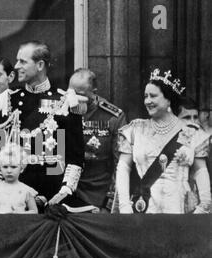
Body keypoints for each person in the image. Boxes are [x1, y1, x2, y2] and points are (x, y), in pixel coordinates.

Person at [0, 40, 86, 211]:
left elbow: (76, 156)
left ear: (40, 65)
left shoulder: (65, 101)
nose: (16, 66)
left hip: (54, 196)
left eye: (22, 61)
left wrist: (65, 190)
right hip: (16, 198)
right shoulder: (8, 101)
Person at [114, 69, 211, 214]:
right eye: (145, 96)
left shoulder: (191, 132)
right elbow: (123, 169)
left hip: (180, 212)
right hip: (144, 209)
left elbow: (200, 172)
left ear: (168, 100)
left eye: (153, 96)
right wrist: (124, 207)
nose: (147, 101)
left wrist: (204, 206)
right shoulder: (136, 129)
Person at [68, 68, 127, 212]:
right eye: (71, 92)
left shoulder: (113, 117)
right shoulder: (62, 110)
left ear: (94, 92)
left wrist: (109, 202)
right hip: (68, 193)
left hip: (98, 195)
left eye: (80, 94)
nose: (74, 98)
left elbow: (120, 164)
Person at [0, 143, 38, 213]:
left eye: (13, 167)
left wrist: (22, 213)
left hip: (19, 222)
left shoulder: (26, 190)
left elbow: (34, 211)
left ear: (21, 168)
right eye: (5, 167)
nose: (9, 171)